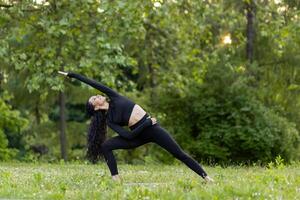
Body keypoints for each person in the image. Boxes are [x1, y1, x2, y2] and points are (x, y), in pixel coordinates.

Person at [58, 71, 214, 183]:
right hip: (140, 132)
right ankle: (116, 179)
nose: (97, 95)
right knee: (106, 146)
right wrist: (146, 123)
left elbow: (92, 82)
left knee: (179, 153)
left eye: (96, 95)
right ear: (96, 107)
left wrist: (72, 75)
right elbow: (128, 136)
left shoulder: (114, 96)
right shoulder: (110, 120)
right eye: (94, 99)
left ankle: (206, 177)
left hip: (153, 130)